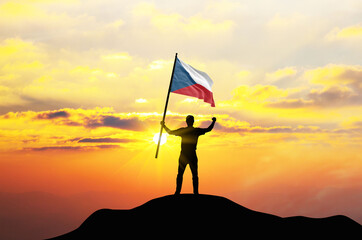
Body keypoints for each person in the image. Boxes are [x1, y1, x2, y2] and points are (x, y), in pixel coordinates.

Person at [161, 115, 216, 195]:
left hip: (186, 155)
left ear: (187, 122)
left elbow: (170, 132)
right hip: (188, 155)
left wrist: (163, 126)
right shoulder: (195, 131)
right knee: (188, 175)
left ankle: (183, 192)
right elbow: (208, 129)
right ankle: (189, 192)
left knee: (186, 174)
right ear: (192, 122)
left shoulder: (189, 131)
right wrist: (213, 121)